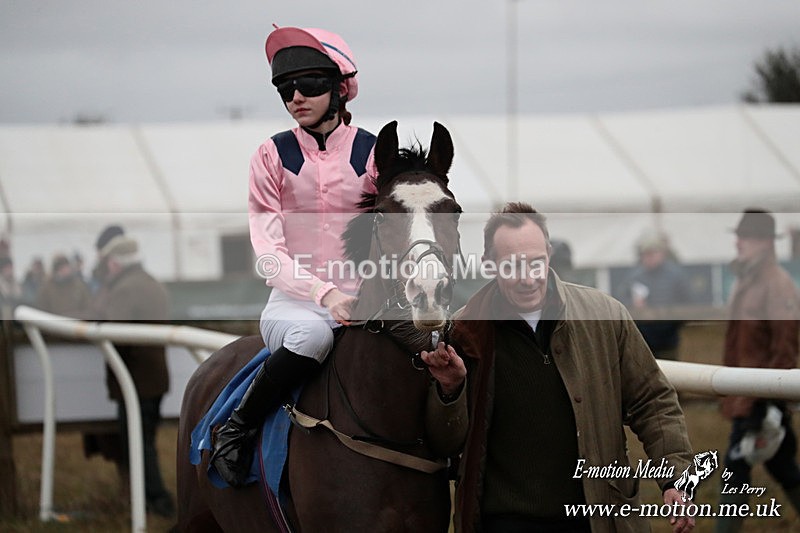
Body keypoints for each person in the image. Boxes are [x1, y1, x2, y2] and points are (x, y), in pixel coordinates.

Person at [441, 203, 695, 533]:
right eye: (513, 266)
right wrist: (449, 391)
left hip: (597, 517)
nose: (528, 278)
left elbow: (653, 401)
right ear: (489, 265)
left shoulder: (604, 316)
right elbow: (443, 441)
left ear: (548, 255)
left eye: (536, 262)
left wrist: (676, 479)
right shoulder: (463, 334)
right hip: (505, 522)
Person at [209, 26, 381, 487]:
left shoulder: (373, 152)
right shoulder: (270, 155)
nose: (296, 97)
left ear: (340, 89)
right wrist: (326, 295)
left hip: (367, 301)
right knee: (312, 339)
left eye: (309, 85)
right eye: (285, 89)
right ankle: (237, 428)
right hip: (295, 308)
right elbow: (268, 252)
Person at [715, 209, 800, 533]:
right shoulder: (746, 280)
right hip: (747, 397)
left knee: (735, 470)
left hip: (759, 400)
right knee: (784, 469)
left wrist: (766, 402)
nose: (738, 242)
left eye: (745, 236)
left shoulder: (778, 286)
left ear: (764, 243)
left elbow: (786, 349)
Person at [93, 229, 174, 518]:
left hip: (135, 379)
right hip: (153, 377)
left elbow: (116, 334)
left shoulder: (124, 288)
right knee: (146, 442)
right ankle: (153, 501)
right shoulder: (151, 283)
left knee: (139, 446)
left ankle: (157, 501)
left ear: (115, 262)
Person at [616, 229, 693, 360]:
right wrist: (634, 307)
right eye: (646, 253)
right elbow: (621, 301)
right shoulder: (634, 277)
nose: (649, 257)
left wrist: (668, 317)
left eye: (653, 253)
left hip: (667, 341)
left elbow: (688, 305)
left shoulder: (676, 276)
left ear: (662, 253)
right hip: (641, 341)